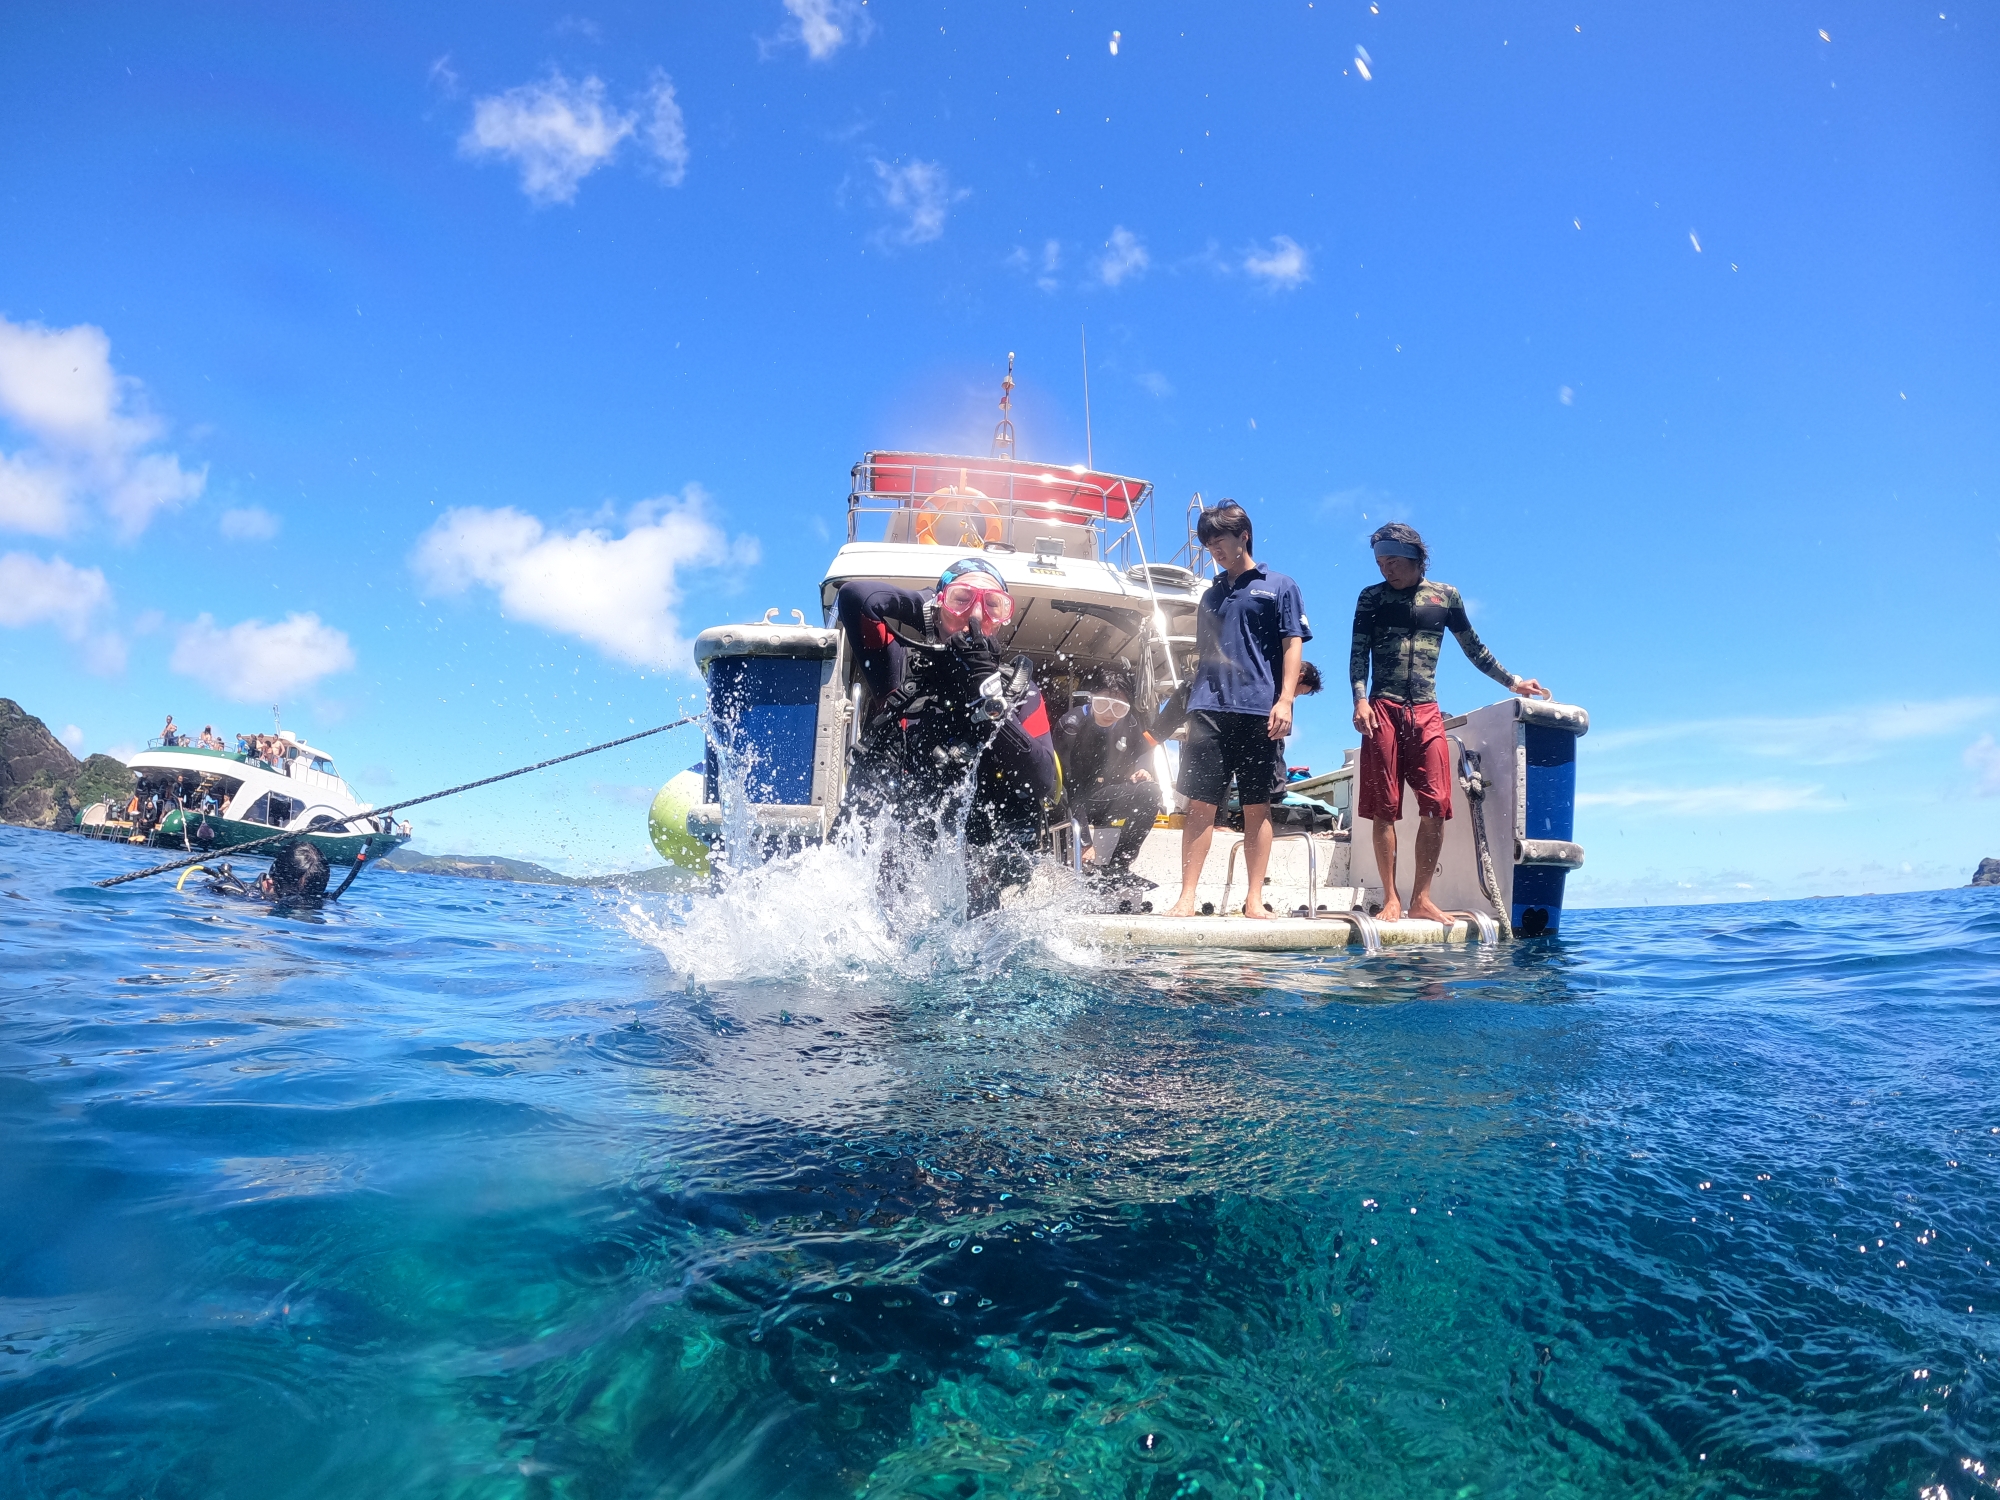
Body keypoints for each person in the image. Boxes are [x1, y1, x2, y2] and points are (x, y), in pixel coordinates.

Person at [832, 558, 1058, 916]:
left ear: (1002, 619)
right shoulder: (899, 667)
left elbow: (1044, 780)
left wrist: (988, 698)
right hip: (901, 879)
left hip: (978, 881)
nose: (976, 615)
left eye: (992, 604)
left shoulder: (1019, 689)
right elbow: (855, 597)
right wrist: (928, 601)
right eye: (961, 599)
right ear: (937, 606)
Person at [1350, 522, 1548, 923]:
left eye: (1392, 561)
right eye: (1380, 563)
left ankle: (1421, 898)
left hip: (1426, 709)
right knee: (1384, 809)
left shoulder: (1445, 597)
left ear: (1416, 558)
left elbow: (1473, 646)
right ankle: (1391, 898)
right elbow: (1358, 653)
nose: (1386, 570)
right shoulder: (1371, 597)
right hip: (1382, 706)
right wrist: (1359, 699)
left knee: (1437, 804)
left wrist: (1513, 681)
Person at [1163, 502, 1311, 919]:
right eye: (1209, 545)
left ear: (1244, 535)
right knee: (1199, 805)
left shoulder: (1280, 585)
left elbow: (1291, 644)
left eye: (1220, 542)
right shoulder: (1210, 594)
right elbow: (1205, 652)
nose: (1215, 551)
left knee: (1255, 806)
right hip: (1207, 708)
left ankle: (1253, 898)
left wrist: (1286, 700)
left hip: (1258, 711)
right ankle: (1187, 896)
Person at [1054, 667, 1160, 885]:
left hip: (1105, 795)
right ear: (1091, 699)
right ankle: (1086, 861)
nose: (1109, 713)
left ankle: (1119, 865)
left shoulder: (1129, 723)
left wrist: (1143, 768)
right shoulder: (1071, 726)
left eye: (1119, 708)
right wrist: (1084, 840)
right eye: (1102, 703)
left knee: (1150, 791)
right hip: (1072, 799)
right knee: (1069, 794)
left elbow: (1143, 750)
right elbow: (1067, 787)